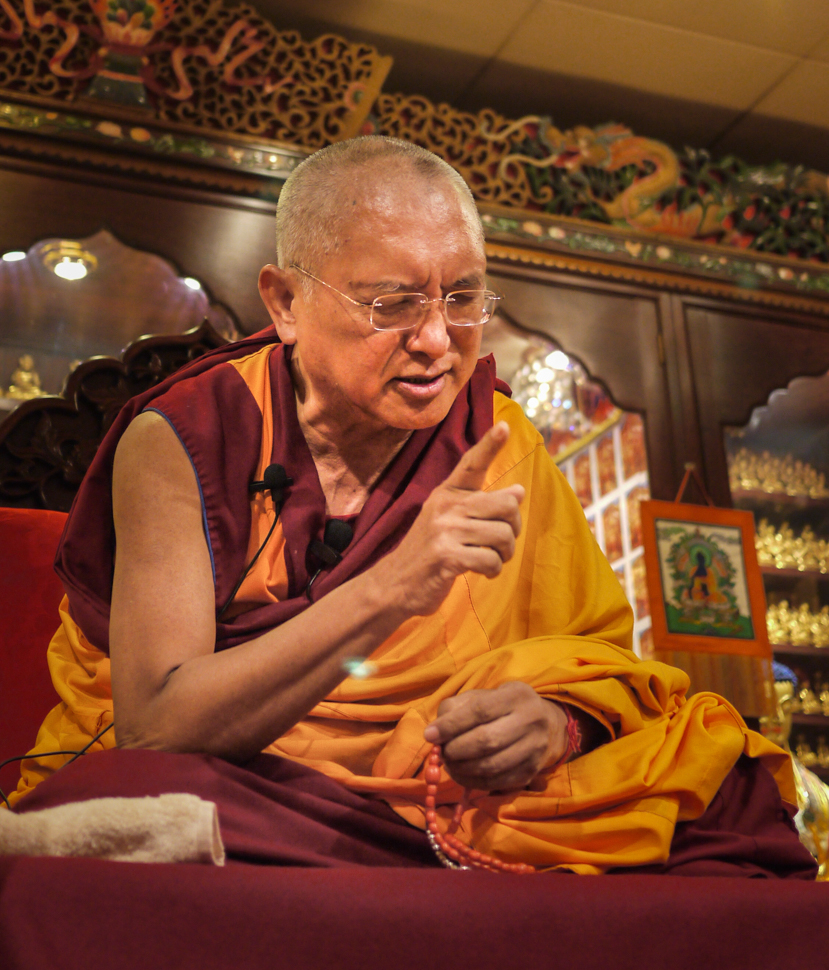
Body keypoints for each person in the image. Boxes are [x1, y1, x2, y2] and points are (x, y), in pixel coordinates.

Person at [9, 137, 815, 878]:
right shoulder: (186, 436)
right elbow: (156, 727)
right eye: (392, 304)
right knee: (142, 816)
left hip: (444, 789)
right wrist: (396, 585)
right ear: (285, 302)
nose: (437, 340)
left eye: (462, 297)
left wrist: (551, 724)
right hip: (252, 784)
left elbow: (592, 656)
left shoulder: (495, 436)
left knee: (730, 804)